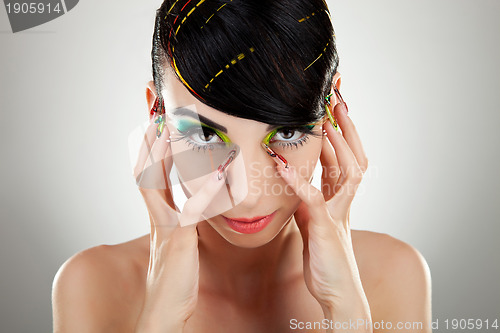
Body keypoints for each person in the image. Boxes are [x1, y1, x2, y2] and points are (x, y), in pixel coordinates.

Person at [52, 0, 432, 332]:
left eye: (286, 131)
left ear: (331, 111)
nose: (247, 195)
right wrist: (159, 321)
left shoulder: (393, 276)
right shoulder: (90, 285)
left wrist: (347, 313)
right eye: (205, 135)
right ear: (158, 113)